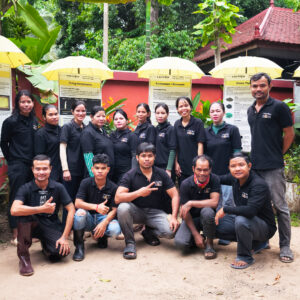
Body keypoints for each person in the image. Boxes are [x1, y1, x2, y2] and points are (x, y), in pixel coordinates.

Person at [247, 72, 295, 263]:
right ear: (251, 88)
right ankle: (262, 240)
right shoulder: (251, 110)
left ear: (269, 86)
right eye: (254, 86)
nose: (258, 89)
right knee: (259, 206)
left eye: (262, 85)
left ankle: (285, 246)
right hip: (255, 166)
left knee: (280, 206)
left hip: (273, 167)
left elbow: (289, 134)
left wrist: (278, 155)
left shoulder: (279, 107)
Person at [10, 155, 75, 276]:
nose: (41, 172)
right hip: (30, 225)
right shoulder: (25, 188)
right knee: (24, 213)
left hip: (50, 224)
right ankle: (24, 258)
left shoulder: (58, 187)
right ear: (32, 169)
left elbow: (71, 209)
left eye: (45, 168)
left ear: (50, 169)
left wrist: (65, 237)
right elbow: (14, 210)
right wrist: (41, 209)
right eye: (38, 169)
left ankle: (46, 246)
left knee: (61, 253)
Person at [116, 143, 180, 260]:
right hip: (136, 212)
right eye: (143, 156)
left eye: (150, 156)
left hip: (156, 212)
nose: (146, 159)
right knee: (123, 207)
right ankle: (130, 243)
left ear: (154, 157)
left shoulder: (161, 174)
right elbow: (118, 198)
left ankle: (148, 232)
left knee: (171, 232)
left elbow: (175, 195)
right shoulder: (130, 175)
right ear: (137, 158)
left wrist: (174, 217)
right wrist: (139, 193)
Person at [215, 153, 277, 269]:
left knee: (241, 220)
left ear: (249, 166)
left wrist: (226, 209)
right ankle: (257, 244)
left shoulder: (258, 184)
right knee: (216, 223)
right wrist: (200, 177)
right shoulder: (234, 179)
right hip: (248, 221)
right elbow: (216, 179)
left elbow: (250, 211)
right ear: (229, 168)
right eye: (233, 166)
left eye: (241, 165)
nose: (237, 168)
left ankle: (245, 256)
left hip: (264, 228)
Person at [0, 90, 39, 245]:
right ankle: (15, 235)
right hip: (18, 165)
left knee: (31, 197)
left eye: (28, 101)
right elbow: (3, 143)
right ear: (17, 103)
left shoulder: (34, 121)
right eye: (22, 102)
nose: (26, 105)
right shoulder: (10, 121)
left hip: (33, 166)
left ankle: (28, 233)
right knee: (17, 198)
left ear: (32, 103)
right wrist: (13, 160)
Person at [205, 101, 242, 245]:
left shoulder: (232, 130)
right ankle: (217, 231)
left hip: (228, 175)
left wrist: (236, 172)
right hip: (212, 176)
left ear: (223, 112)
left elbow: (237, 153)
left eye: (217, 111)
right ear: (210, 114)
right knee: (215, 205)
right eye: (212, 111)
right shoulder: (206, 131)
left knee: (228, 204)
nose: (215, 113)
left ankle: (227, 234)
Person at [72, 154, 121, 261]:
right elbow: (77, 203)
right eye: (97, 168)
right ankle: (79, 247)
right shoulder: (85, 183)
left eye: (103, 168)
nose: (100, 171)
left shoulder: (113, 187)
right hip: (89, 218)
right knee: (80, 213)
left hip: (103, 218)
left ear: (108, 170)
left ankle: (102, 237)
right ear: (92, 169)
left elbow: (114, 210)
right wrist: (96, 207)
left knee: (115, 229)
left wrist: (105, 223)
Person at [175, 155, 220, 259]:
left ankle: (209, 244)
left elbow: (214, 202)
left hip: (208, 217)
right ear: (193, 169)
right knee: (181, 244)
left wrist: (191, 203)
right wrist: (196, 235)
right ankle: (199, 238)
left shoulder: (215, 179)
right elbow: (185, 213)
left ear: (210, 169)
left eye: (206, 170)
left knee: (207, 211)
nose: (202, 173)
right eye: (199, 170)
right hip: (192, 218)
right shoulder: (185, 184)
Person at [174, 97, 205, 186]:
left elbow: (200, 144)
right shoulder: (177, 124)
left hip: (194, 165)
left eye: (186, 105)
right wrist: (176, 163)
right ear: (177, 109)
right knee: (183, 190)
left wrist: (199, 164)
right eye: (180, 106)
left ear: (191, 107)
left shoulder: (198, 123)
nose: (183, 108)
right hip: (181, 166)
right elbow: (176, 146)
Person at [60, 100, 86, 201]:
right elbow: (62, 148)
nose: (80, 113)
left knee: (80, 199)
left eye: (83, 111)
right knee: (69, 200)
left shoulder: (86, 128)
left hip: (83, 170)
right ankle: (68, 218)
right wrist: (65, 169)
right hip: (71, 170)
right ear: (72, 112)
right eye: (77, 110)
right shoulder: (67, 127)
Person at [80, 105, 114, 178]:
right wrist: (94, 176)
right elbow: (88, 157)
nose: (101, 118)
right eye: (98, 116)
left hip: (107, 174)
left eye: (103, 116)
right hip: (97, 176)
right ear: (92, 117)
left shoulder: (103, 131)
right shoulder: (87, 132)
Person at [110, 109, 138, 183]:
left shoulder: (132, 136)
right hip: (112, 173)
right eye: (116, 119)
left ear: (127, 120)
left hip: (125, 173)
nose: (118, 121)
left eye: (121, 118)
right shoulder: (111, 135)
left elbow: (135, 156)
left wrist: (133, 174)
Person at [35, 105, 62, 182]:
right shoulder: (41, 134)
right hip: (49, 173)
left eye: (56, 114)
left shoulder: (62, 130)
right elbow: (40, 157)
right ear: (44, 117)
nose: (54, 117)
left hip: (63, 171)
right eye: (50, 115)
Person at [154, 103, 176, 177]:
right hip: (155, 167)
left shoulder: (170, 129)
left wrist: (169, 169)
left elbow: (172, 150)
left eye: (163, 113)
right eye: (157, 113)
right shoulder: (155, 129)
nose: (160, 116)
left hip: (166, 168)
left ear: (167, 114)